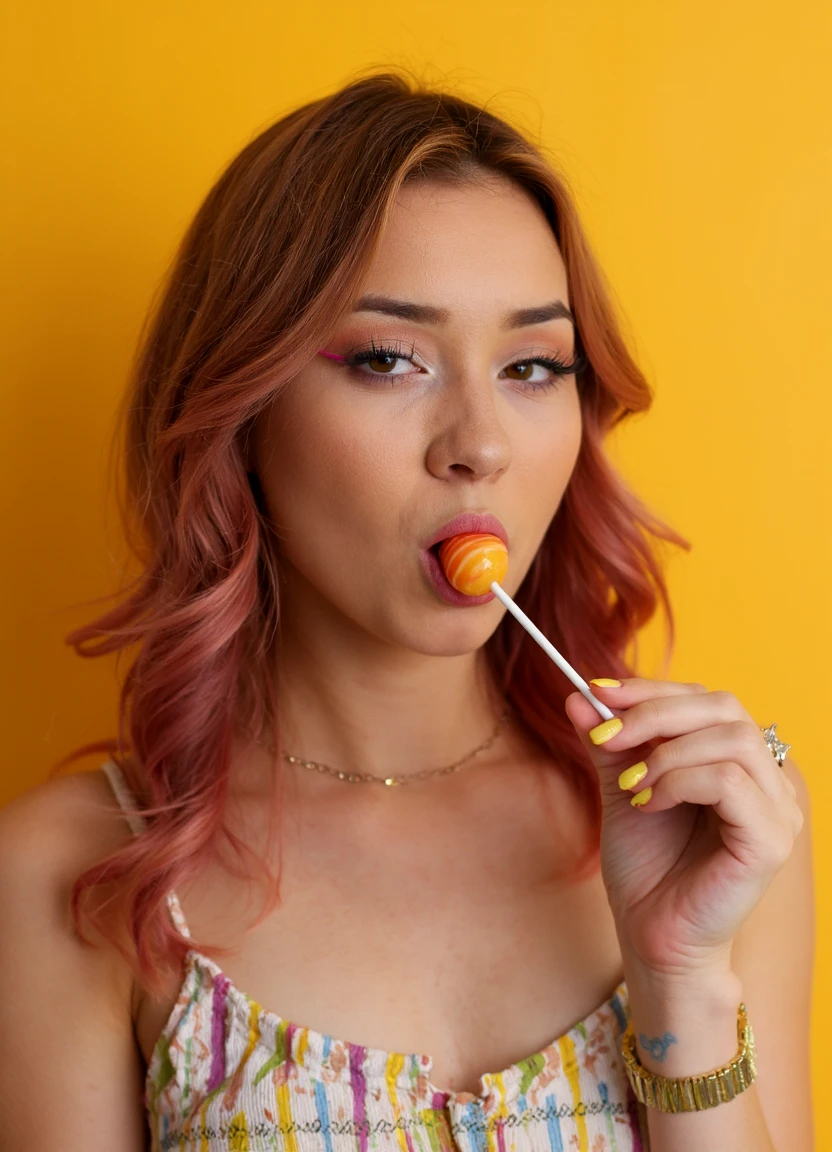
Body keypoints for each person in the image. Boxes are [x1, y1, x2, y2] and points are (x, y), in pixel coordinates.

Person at [0, 70, 814, 1152]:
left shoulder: (707, 825)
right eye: (390, 360)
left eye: (532, 365)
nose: (478, 442)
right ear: (241, 407)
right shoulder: (76, 877)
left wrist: (683, 983)